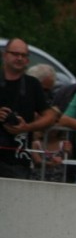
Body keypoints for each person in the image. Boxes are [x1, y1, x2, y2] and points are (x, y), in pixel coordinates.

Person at [0, 38, 58, 179]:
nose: (19, 58)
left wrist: (27, 127)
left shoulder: (32, 84)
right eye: (15, 54)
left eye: (24, 55)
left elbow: (50, 115)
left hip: (18, 159)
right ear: (4, 55)